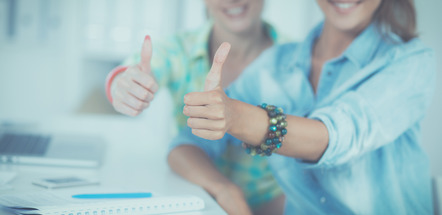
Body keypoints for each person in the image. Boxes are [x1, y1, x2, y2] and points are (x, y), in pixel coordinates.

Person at [179, 0, 436, 214]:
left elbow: (332, 137)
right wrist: (224, 189)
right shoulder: (272, 66)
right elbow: (185, 144)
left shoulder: (410, 62)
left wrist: (235, 117)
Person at [105, 0, 287, 214]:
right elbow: (132, 71)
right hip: (195, 203)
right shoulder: (178, 49)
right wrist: (124, 84)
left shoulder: (297, 58)